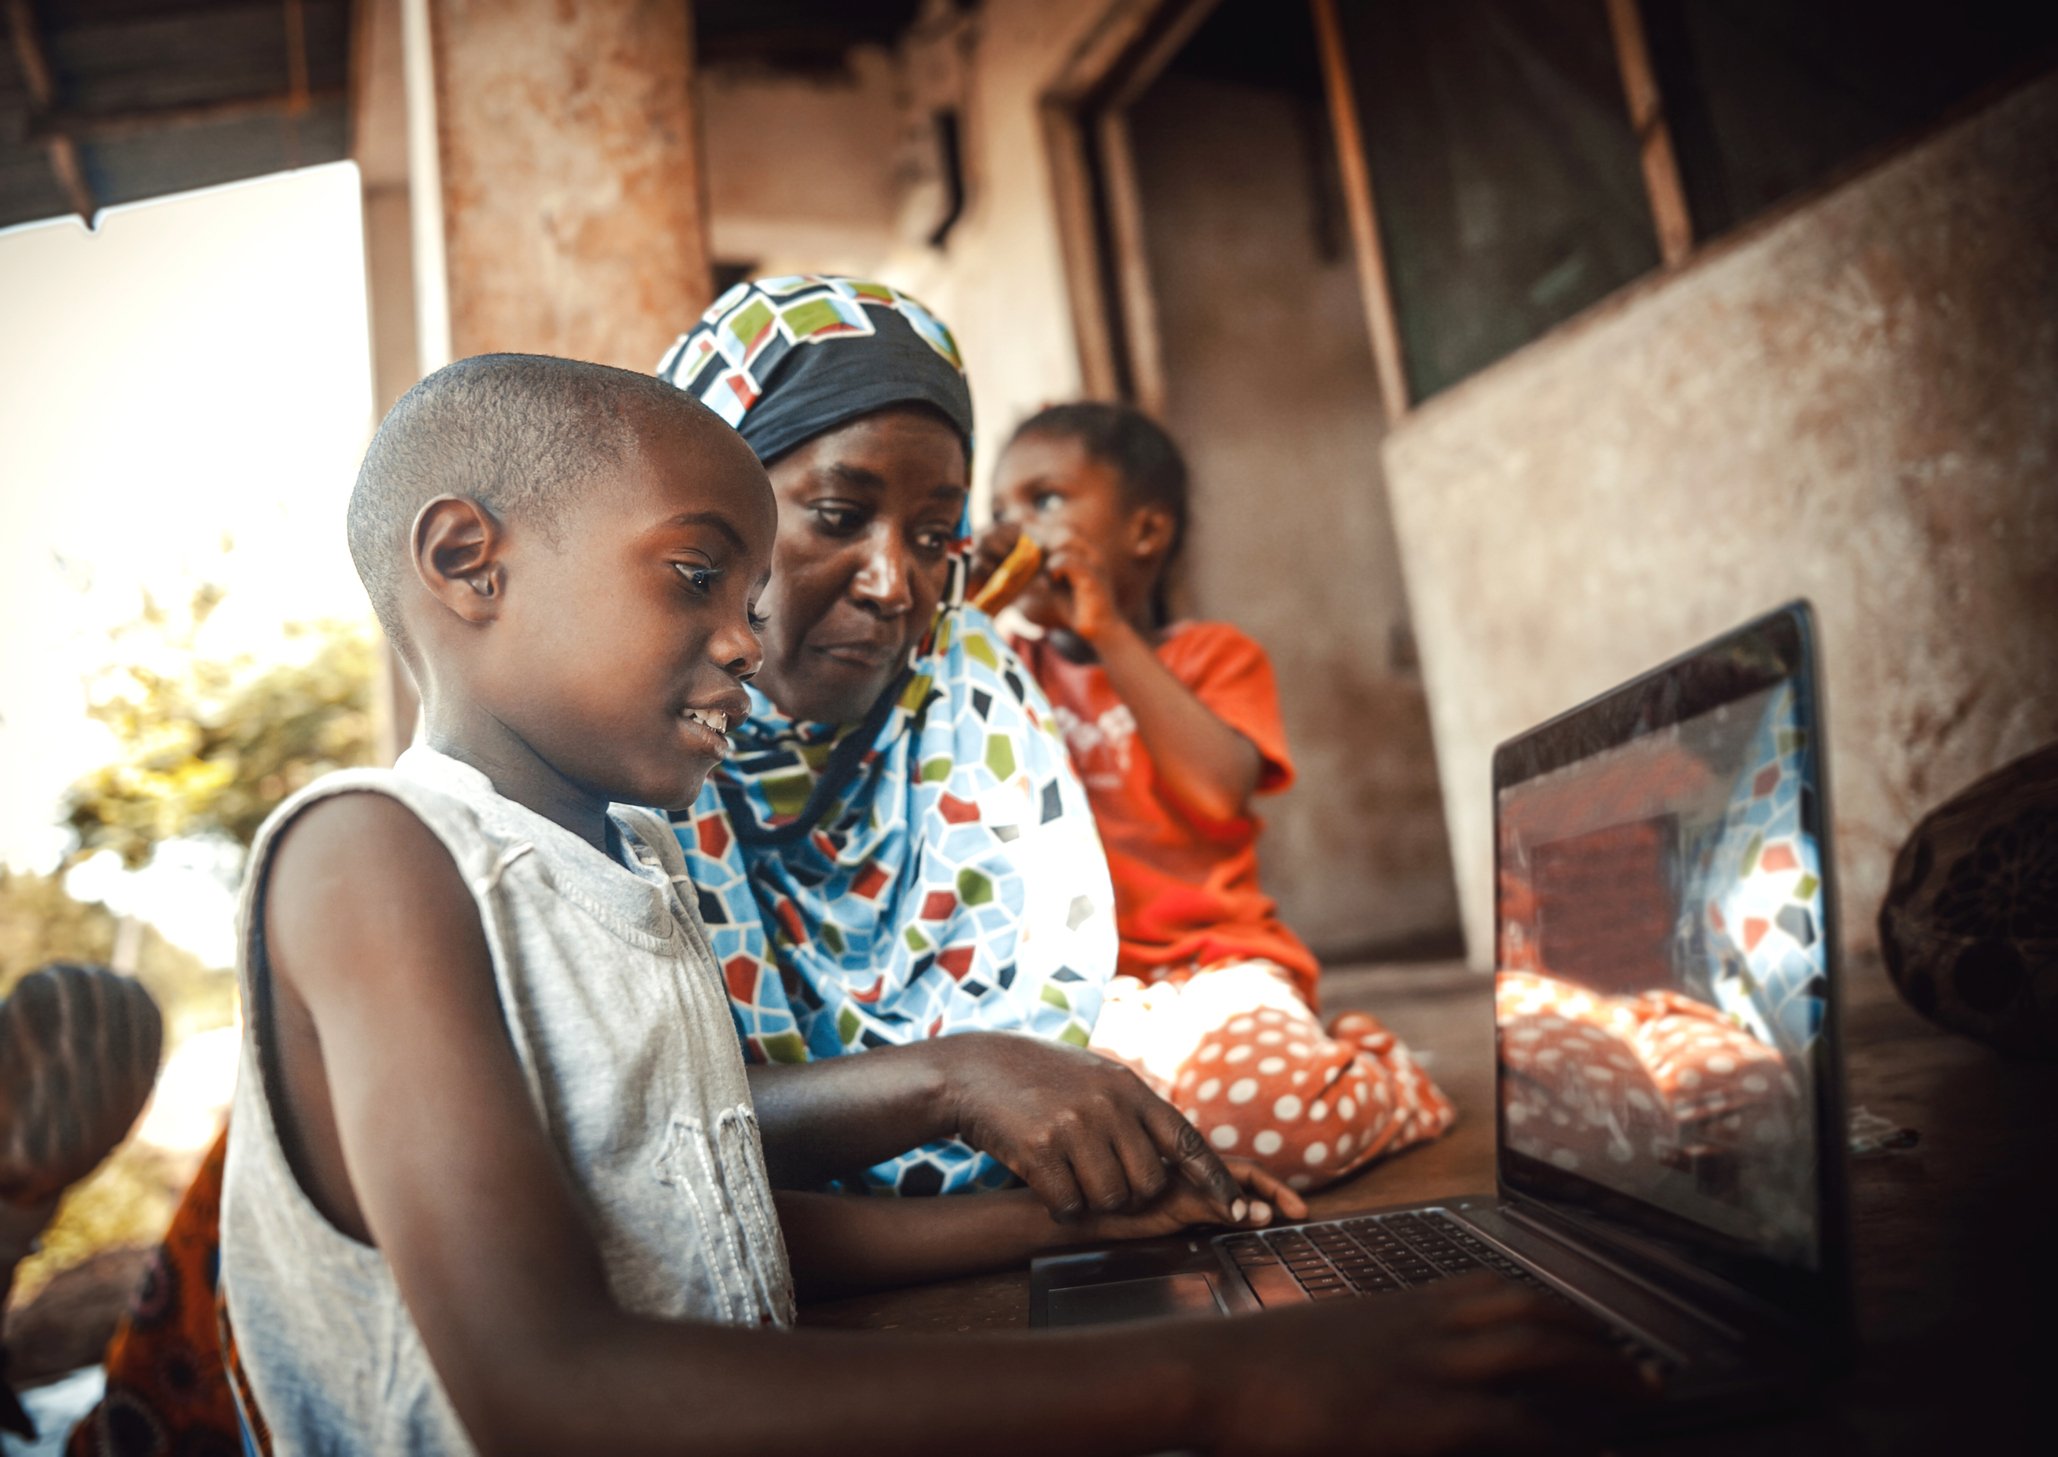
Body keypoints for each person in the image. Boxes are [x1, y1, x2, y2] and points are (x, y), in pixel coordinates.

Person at [187, 353, 1628, 1453]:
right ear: (466, 561)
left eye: (755, 593)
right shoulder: (373, 859)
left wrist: (1049, 1230)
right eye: (700, 575)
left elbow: (682, 1213)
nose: (753, 643)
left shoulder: (619, 865)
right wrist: (1222, 1375)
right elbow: (552, 1389)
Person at [655, 277, 1218, 1207]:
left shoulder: (965, 696)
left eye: (932, 535)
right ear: (708, 510)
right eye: (839, 517)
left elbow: (1035, 1057)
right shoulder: (619, 749)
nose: (893, 583)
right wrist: (958, 1085)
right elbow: (643, 1141)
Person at [983, 402, 1456, 1191]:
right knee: (1073, 1147)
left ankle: (1384, 1070)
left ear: (1145, 532)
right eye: (999, 509)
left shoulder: (1211, 655)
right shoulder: (996, 670)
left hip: (1218, 966)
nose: (1015, 526)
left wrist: (1107, 634)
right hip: (1081, 988)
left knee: (1272, 1125)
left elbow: (1215, 796)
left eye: (1047, 500)